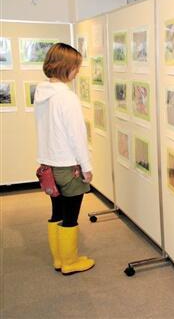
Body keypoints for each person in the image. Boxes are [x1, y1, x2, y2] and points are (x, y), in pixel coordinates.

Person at [34, 43, 95, 275]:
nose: (77, 72)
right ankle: (70, 262)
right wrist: (86, 167)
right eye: (76, 67)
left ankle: (59, 259)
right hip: (69, 166)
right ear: (65, 67)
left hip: (49, 165)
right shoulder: (67, 98)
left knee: (57, 211)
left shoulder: (42, 95)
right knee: (70, 216)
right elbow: (77, 136)